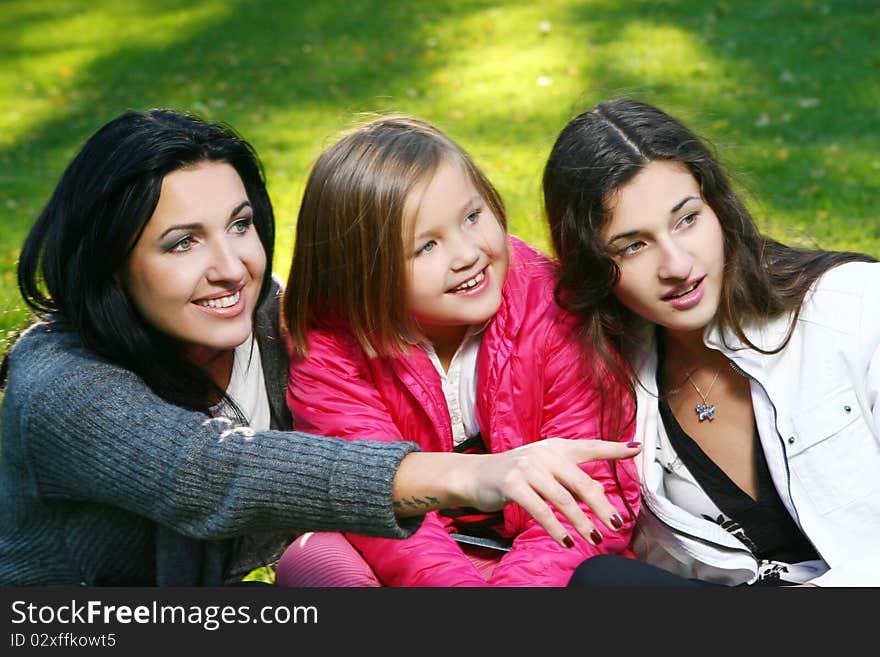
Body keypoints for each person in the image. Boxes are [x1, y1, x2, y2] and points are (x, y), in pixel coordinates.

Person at [0, 108, 642, 587]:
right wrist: (470, 475)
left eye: (240, 225)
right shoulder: (60, 383)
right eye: (181, 243)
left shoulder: (278, 324)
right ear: (112, 265)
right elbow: (209, 473)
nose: (231, 267)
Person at [278, 114, 640, 587]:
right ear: (361, 272)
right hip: (413, 562)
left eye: (472, 217)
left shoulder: (550, 305)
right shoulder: (330, 344)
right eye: (426, 246)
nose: (467, 253)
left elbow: (591, 492)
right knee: (314, 559)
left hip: (547, 564)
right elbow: (374, 499)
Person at [542, 98, 880, 587]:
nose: (676, 265)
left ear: (717, 206)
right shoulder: (619, 395)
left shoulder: (852, 307)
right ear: (594, 266)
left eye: (687, 219)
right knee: (605, 583)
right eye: (633, 245)